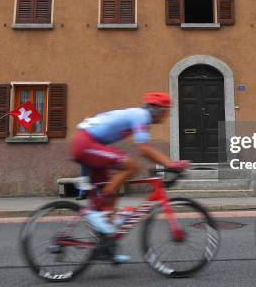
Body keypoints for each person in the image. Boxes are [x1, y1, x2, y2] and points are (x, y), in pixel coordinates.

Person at [70, 92, 188, 262]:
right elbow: (144, 150)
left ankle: (106, 246)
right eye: (166, 111)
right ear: (156, 109)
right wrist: (171, 165)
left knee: (112, 188)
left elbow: (145, 150)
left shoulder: (138, 116)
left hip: (89, 143)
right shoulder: (141, 115)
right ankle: (98, 215)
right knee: (131, 166)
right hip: (86, 143)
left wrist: (169, 164)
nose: (167, 115)